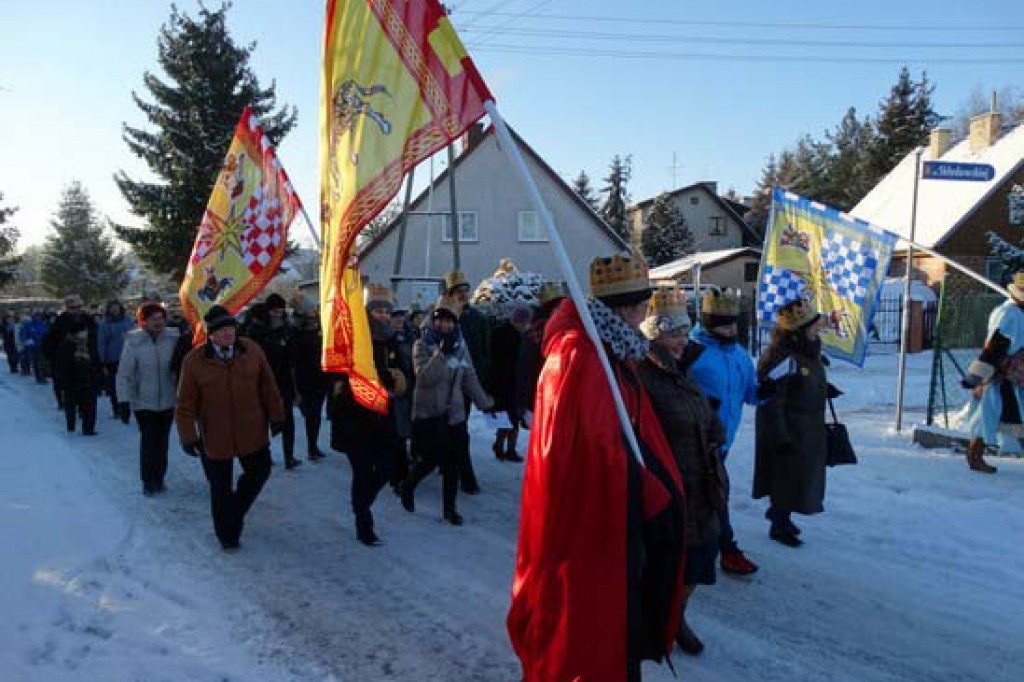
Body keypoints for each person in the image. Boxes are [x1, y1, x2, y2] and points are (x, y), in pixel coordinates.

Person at [508, 254, 686, 682]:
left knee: (617, 625)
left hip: (620, 517)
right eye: (642, 307)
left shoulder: (610, 350)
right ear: (625, 310)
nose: (645, 315)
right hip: (594, 522)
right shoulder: (580, 355)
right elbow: (590, 451)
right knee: (590, 628)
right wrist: (653, 494)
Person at [637, 285, 726, 656]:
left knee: (699, 565)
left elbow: (697, 413)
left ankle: (677, 617)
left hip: (701, 485)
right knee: (673, 567)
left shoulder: (679, 371)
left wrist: (712, 426)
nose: (681, 340)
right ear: (655, 334)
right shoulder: (643, 375)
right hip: (672, 492)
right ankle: (661, 623)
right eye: (673, 333)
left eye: (683, 332)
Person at [175, 304, 285, 552]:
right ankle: (228, 535)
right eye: (221, 331)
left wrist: (277, 415)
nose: (228, 334)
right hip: (214, 435)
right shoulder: (194, 361)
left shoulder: (251, 350)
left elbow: (268, 385)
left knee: (260, 472)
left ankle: (234, 511)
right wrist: (187, 435)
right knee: (220, 488)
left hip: (252, 429)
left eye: (230, 329)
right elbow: (185, 403)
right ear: (210, 334)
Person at [685, 287, 764, 576]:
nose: (729, 329)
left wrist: (767, 390)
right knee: (716, 494)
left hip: (724, 441)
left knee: (709, 496)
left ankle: (702, 544)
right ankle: (726, 549)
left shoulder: (740, 354)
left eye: (733, 323)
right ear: (707, 323)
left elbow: (750, 392)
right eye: (722, 324)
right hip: (696, 440)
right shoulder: (691, 350)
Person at [398, 301, 493, 526]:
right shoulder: (421, 344)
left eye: (449, 320)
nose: (445, 324)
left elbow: (469, 377)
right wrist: (441, 353)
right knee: (431, 460)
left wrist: (484, 402)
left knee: (452, 463)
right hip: (430, 413)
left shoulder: (461, 345)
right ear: (433, 321)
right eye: (440, 319)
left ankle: (449, 510)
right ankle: (408, 485)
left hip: (455, 415)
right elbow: (424, 378)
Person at [328, 284, 408, 545]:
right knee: (362, 472)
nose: (383, 315)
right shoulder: (354, 340)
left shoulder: (395, 340)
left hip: (383, 418)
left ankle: (361, 503)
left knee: (388, 466)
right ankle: (364, 522)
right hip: (356, 418)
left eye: (387, 311)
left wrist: (400, 379)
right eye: (378, 311)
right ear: (368, 314)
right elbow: (339, 378)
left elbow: (405, 373)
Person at [754, 299, 831, 548]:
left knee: (798, 477)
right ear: (799, 331)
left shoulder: (807, 351)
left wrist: (822, 388)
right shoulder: (782, 357)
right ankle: (779, 522)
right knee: (785, 477)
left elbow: (803, 378)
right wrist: (781, 436)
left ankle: (781, 515)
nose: (817, 328)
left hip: (806, 428)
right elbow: (773, 400)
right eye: (813, 325)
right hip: (788, 429)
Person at [961, 271, 1024, 474]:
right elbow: (994, 345)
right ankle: (974, 454)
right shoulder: (1009, 314)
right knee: (987, 414)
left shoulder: (1016, 312)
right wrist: (979, 375)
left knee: (994, 413)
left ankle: (976, 454)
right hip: (1000, 370)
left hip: (1010, 371)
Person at [116, 302, 181, 496]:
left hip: (168, 400)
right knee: (149, 441)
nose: (158, 322)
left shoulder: (174, 338)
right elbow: (124, 374)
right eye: (153, 319)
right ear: (143, 321)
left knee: (162, 442)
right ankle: (148, 480)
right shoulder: (133, 342)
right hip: (143, 401)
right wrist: (123, 401)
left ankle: (159, 477)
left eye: (161, 318)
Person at [442, 269, 490, 494]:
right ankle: (449, 467)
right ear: (450, 293)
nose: (463, 295)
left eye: (465, 290)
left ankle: (465, 476)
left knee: (460, 430)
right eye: (458, 291)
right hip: (443, 384)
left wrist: (482, 381)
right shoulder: (440, 317)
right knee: (449, 430)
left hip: (467, 383)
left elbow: (485, 351)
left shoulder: (477, 318)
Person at [246, 293, 302, 469]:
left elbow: (293, 357)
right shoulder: (256, 329)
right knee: (262, 421)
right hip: (262, 381)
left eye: (281, 311)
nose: (279, 314)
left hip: (284, 381)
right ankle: (264, 456)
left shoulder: (286, 328)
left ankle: (289, 456)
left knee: (287, 420)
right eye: (275, 311)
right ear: (268, 311)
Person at [45, 295, 101, 435]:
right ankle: (71, 423)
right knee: (70, 396)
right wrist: (57, 357)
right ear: (67, 308)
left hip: (88, 362)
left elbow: (96, 341)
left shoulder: (89, 320)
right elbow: (49, 344)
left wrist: (96, 358)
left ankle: (89, 427)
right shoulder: (60, 322)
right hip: (68, 364)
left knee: (90, 397)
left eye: (78, 307)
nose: (76, 310)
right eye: (72, 308)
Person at [486, 303, 533, 462]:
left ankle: (508, 448)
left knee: (513, 418)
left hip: (514, 383)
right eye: (524, 323)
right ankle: (501, 446)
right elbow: (496, 361)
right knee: (505, 417)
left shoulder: (522, 336)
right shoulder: (502, 334)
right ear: (517, 321)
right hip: (503, 383)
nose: (525, 326)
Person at [292, 298, 330, 462]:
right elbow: (294, 361)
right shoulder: (295, 332)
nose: (313, 314)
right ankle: (310, 447)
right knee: (310, 413)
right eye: (310, 311)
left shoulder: (319, 329)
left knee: (315, 414)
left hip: (320, 378)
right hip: (304, 379)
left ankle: (312, 446)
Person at [98, 300, 135, 420]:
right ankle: (117, 408)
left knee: (128, 384)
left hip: (129, 356)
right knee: (115, 386)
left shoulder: (128, 321)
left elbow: (135, 336)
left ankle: (127, 407)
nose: (115, 310)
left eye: (117, 308)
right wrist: (102, 359)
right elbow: (101, 342)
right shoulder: (105, 324)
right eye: (112, 308)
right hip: (112, 358)